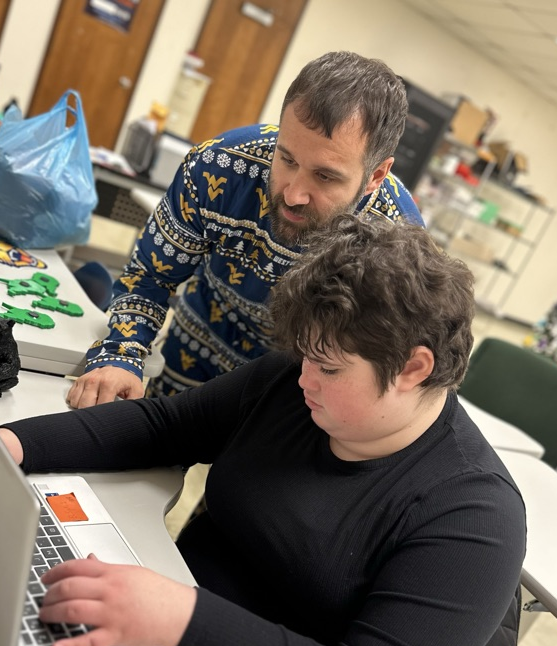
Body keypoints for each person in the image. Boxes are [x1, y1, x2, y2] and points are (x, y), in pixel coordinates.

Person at [0, 217, 525, 646]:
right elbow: (165, 425)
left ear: (414, 367)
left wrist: (176, 617)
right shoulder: (298, 383)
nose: (304, 377)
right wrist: (7, 445)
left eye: (329, 367)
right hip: (185, 637)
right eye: (305, 355)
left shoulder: (473, 518)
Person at [67, 50, 424, 408]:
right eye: (286, 159)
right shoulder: (218, 168)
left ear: (375, 176)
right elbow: (149, 277)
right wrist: (121, 355)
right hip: (196, 347)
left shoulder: (397, 244)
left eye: (326, 176)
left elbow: (380, 367)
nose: (294, 194)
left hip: (298, 389)